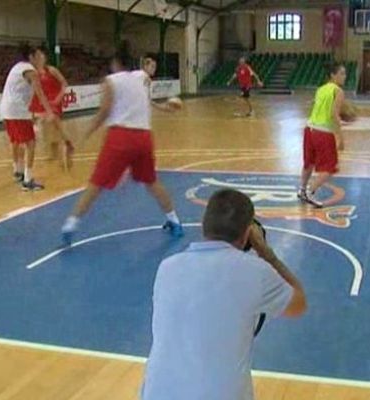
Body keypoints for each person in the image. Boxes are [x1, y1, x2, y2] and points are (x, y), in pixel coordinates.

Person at [141, 189, 307, 400]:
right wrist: (267, 254)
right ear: (248, 232)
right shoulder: (256, 271)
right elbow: (298, 304)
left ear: (204, 225)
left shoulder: (167, 267)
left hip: (158, 393)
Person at [60, 49, 183, 245]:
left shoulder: (110, 81)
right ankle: (175, 221)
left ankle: (70, 225)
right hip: (143, 138)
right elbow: (145, 99)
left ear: (115, 63)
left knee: (96, 184)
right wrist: (166, 107)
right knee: (152, 182)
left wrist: (83, 136)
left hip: (120, 137)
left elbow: (104, 112)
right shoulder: (142, 77)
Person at [0, 44, 55, 191]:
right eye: (37, 56)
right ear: (31, 57)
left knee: (16, 141)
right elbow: (40, 92)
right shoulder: (29, 70)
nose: (40, 58)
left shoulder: (17, 67)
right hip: (17, 111)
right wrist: (49, 111)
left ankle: (18, 171)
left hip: (6, 109)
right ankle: (28, 179)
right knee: (30, 143)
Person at [297, 62, 346, 208]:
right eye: (342, 73)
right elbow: (334, 114)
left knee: (309, 163)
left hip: (309, 129)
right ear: (333, 75)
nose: (344, 76)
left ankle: (302, 190)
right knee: (331, 168)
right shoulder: (338, 91)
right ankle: (310, 193)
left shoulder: (320, 89)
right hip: (323, 132)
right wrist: (341, 137)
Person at [29, 46, 74, 169]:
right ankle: (57, 148)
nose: (39, 58)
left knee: (53, 120)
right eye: (36, 56)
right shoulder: (33, 73)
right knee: (47, 128)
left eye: (41, 56)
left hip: (54, 101)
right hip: (42, 102)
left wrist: (59, 97)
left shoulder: (52, 70)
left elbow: (64, 83)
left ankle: (67, 142)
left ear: (45, 58)